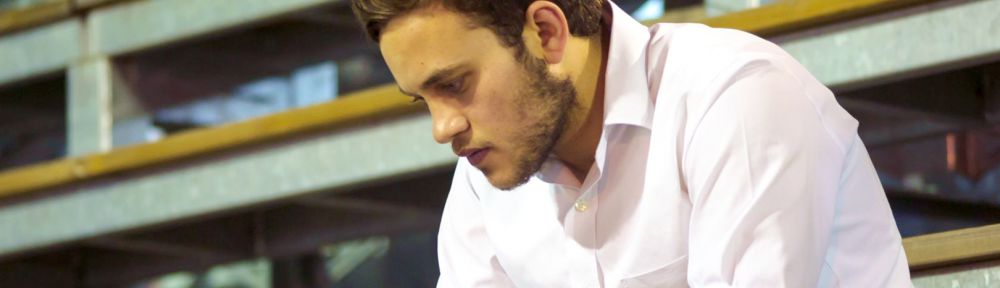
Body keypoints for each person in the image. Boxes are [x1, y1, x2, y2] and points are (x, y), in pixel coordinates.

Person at [351, 0, 911, 287]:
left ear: (546, 33)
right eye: (422, 99)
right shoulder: (484, 180)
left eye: (454, 85)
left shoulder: (732, 97)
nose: (442, 127)